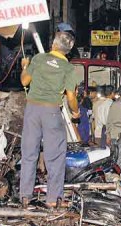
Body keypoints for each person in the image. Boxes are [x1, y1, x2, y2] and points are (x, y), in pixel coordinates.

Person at [19, 31, 79, 208]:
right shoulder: (68, 68)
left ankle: (25, 197)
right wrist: (75, 112)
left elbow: (24, 81)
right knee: (55, 156)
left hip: (32, 109)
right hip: (52, 111)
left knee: (29, 153)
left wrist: (24, 66)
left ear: (53, 44)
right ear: (69, 50)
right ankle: (53, 199)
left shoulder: (38, 59)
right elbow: (71, 96)